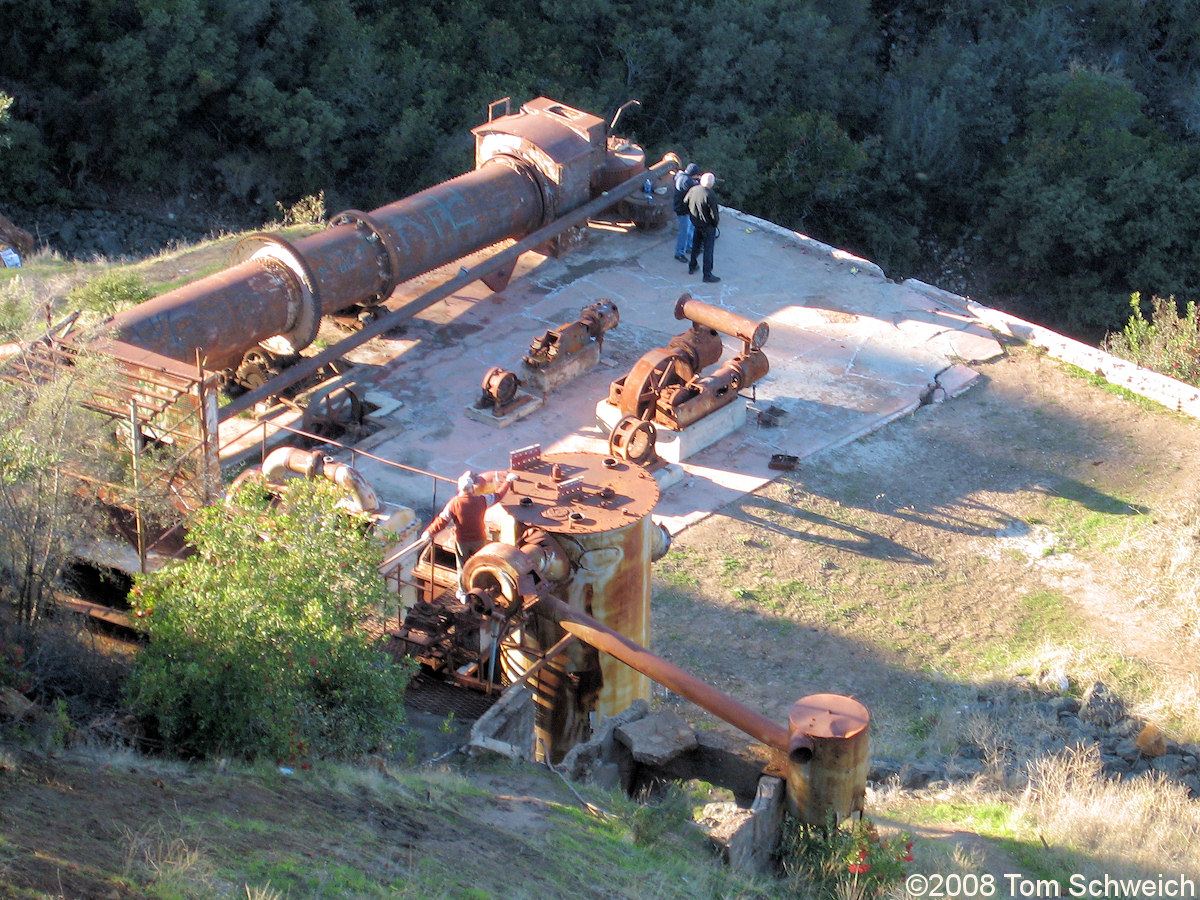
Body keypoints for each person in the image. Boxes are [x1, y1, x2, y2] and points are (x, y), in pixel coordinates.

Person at [421, 469, 518, 601]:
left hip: (462, 541)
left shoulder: (454, 503)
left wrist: (429, 532)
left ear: (459, 488)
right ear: (472, 488)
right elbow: (498, 496)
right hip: (479, 539)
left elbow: (442, 521)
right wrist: (508, 481)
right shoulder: (481, 500)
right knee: (479, 564)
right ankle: (481, 588)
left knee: (463, 567)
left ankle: (463, 593)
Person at [685, 172, 721, 283]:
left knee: (696, 246)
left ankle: (692, 266)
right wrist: (715, 224)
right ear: (711, 184)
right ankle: (707, 274)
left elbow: (685, 201)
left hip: (696, 223)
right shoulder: (710, 195)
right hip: (707, 226)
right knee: (708, 250)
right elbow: (714, 215)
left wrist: (693, 214)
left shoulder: (693, 189)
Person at [672, 162, 701, 262]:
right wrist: (700, 181)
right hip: (683, 211)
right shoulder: (686, 181)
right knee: (684, 232)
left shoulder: (682, 176)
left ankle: (689, 247)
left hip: (685, 209)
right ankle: (679, 253)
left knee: (690, 229)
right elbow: (695, 189)